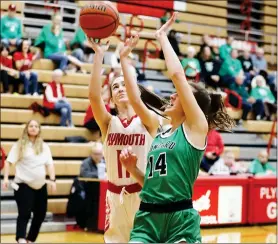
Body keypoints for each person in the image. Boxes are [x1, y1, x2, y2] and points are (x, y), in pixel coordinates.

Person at [119, 13, 235, 243]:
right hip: (147, 217)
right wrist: (124, 60)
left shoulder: (196, 128)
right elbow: (135, 101)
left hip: (180, 220)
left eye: (181, 95)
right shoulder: (159, 128)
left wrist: (163, 37)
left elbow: (177, 76)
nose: (172, 95)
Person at [87, 33, 166, 242]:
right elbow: (94, 97)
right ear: (111, 99)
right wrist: (99, 55)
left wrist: (125, 62)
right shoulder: (108, 123)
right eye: (115, 87)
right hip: (115, 198)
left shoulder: (149, 120)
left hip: (144, 195)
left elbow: (138, 101)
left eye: (124, 85)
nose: (121, 88)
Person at [2, 120, 56, 243]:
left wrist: (52, 180)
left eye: (36, 126)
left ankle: (30, 239)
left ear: (39, 130)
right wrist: (5, 178)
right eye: (31, 126)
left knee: (40, 214)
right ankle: (21, 238)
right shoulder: (20, 145)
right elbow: (8, 161)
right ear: (27, 129)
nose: (33, 128)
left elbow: (50, 165)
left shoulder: (44, 146)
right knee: (24, 213)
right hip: (23, 184)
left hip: (40, 185)